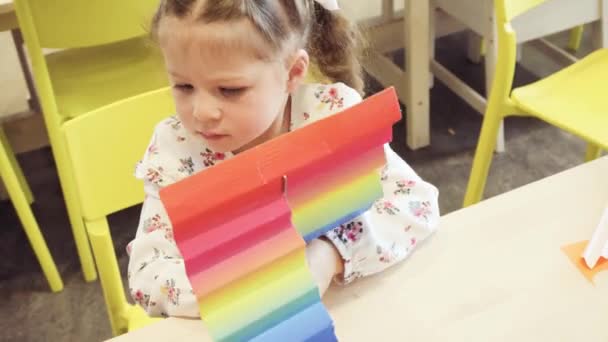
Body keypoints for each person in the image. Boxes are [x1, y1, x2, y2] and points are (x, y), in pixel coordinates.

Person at [127, 0, 440, 318]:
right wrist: (247, 283)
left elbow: (416, 204)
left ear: (292, 73)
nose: (202, 112)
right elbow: (148, 274)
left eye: (229, 90)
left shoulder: (330, 117)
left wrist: (331, 254)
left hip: (350, 308)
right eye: (183, 86)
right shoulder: (175, 150)